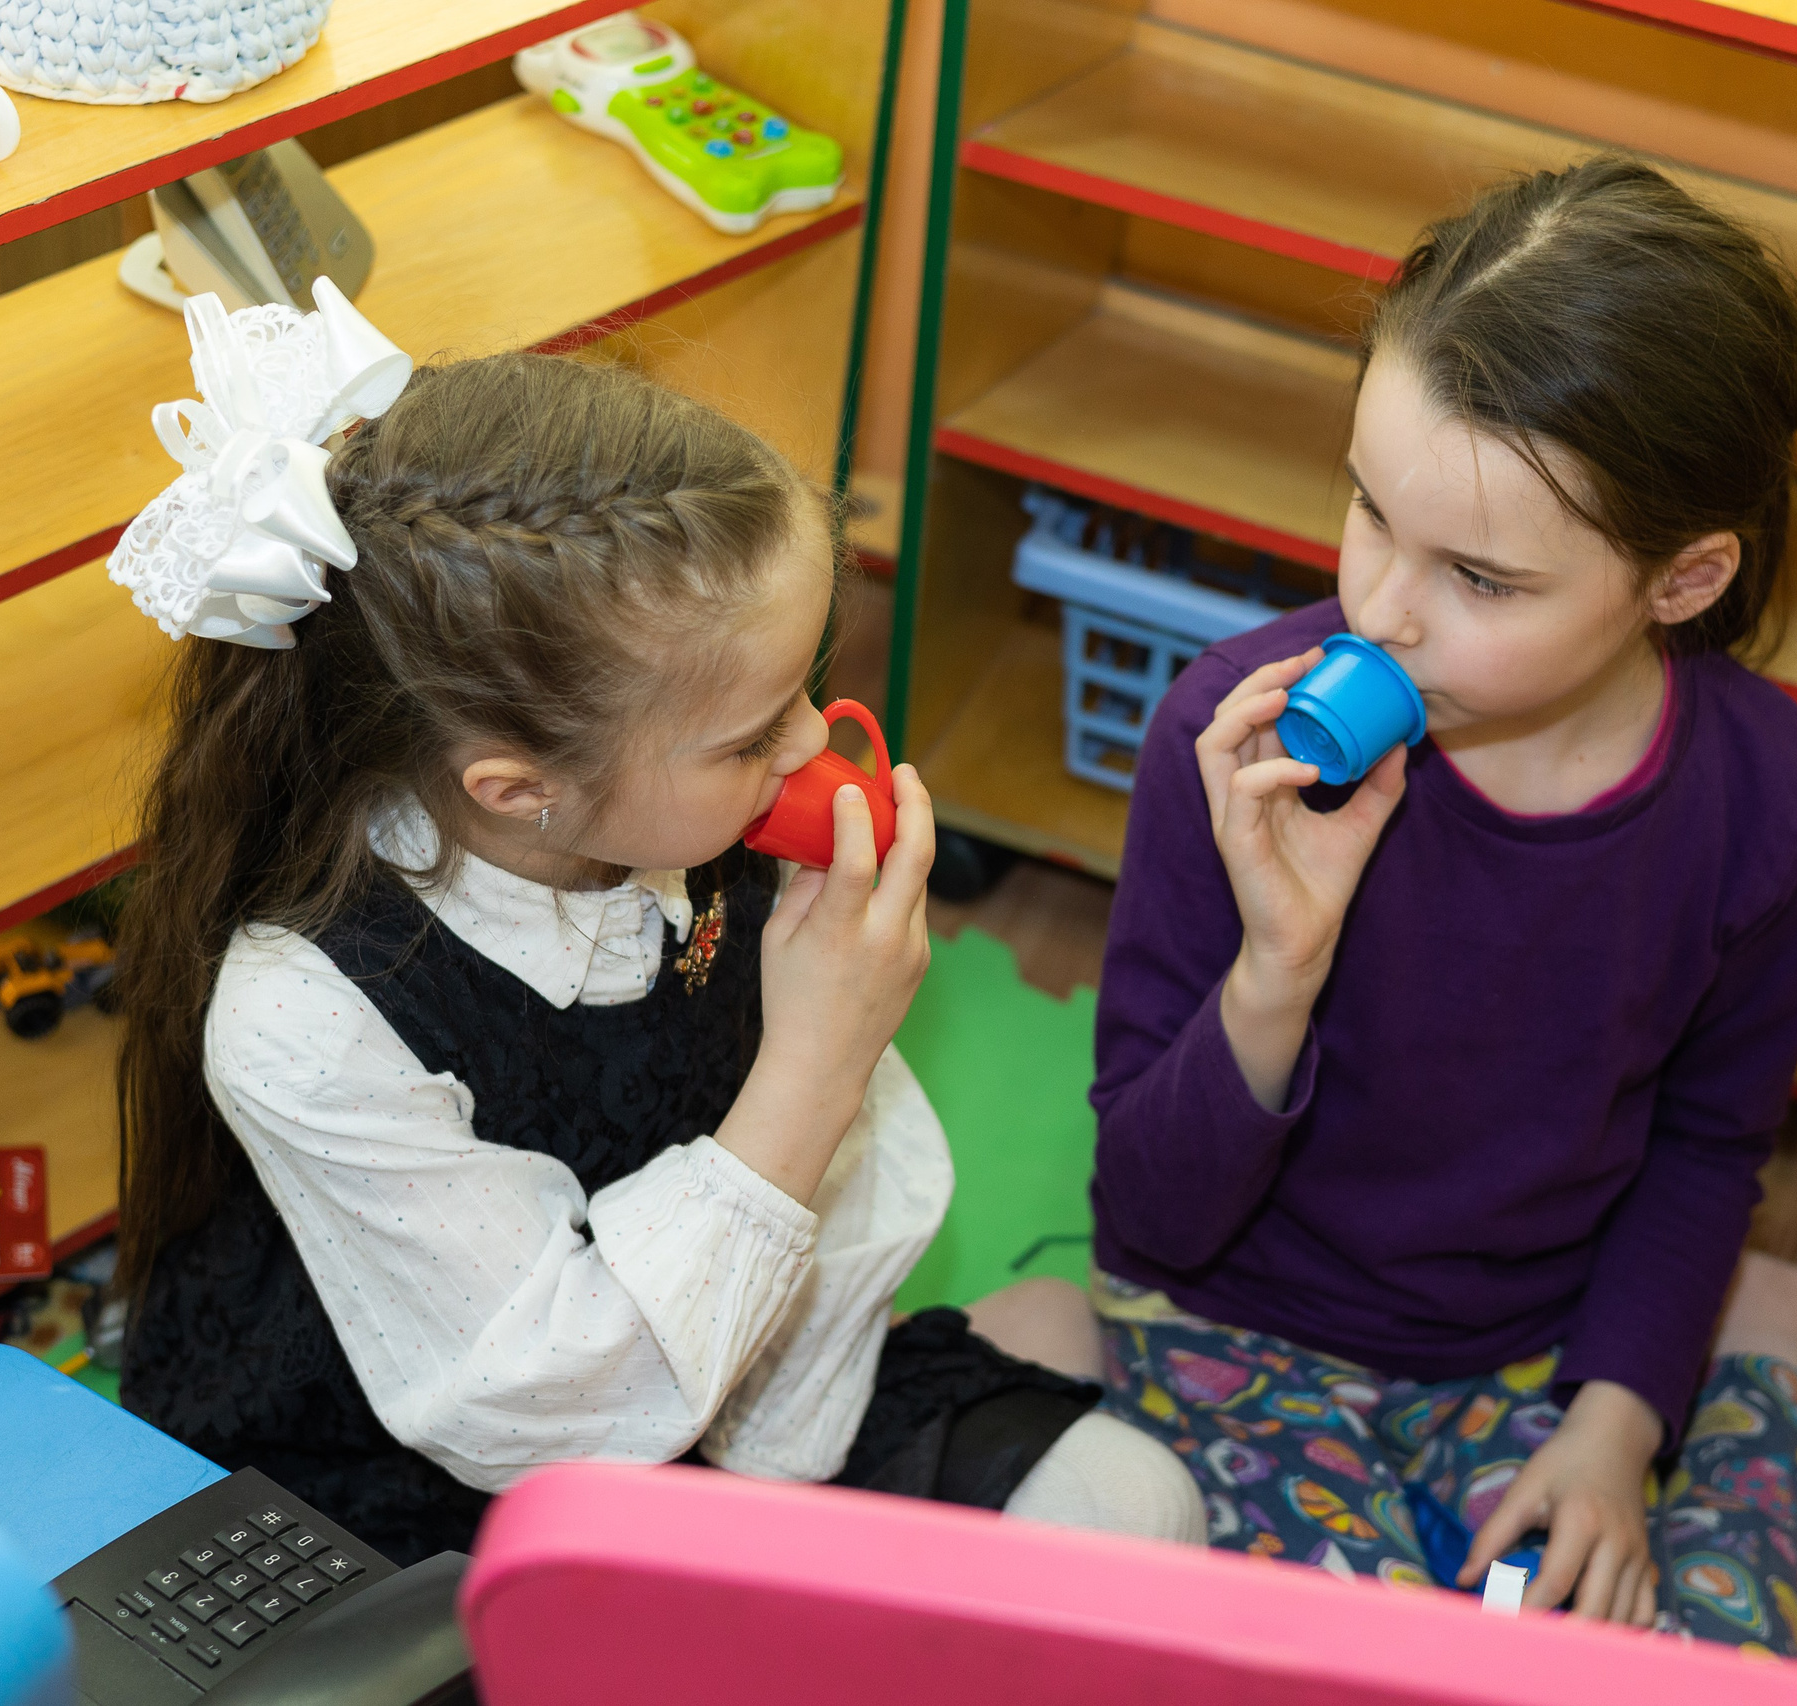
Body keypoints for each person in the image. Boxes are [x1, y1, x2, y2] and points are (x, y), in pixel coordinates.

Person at [106, 286, 1199, 1563]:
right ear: (520, 788)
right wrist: (820, 1060)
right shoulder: (302, 1010)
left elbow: (790, 1365)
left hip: (732, 1351)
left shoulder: (688, 820)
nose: (810, 743)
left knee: (1137, 1501)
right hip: (442, 1477)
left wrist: (777, 1476)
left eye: (806, 687)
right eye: (749, 736)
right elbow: (552, 1418)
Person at [1077, 158, 1797, 1652]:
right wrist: (1277, 971)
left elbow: (1707, 1141)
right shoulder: (1232, 742)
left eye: (1480, 579)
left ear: (1683, 578)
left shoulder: (1767, 804)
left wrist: (1616, 1422)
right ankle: (1766, 1349)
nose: (1381, 609)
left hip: (1531, 1345)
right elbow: (1152, 1215)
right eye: (1370, 509)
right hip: (1230, 1320)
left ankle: (1758, 1354)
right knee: (1351, 1670)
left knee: (1681, 1659)